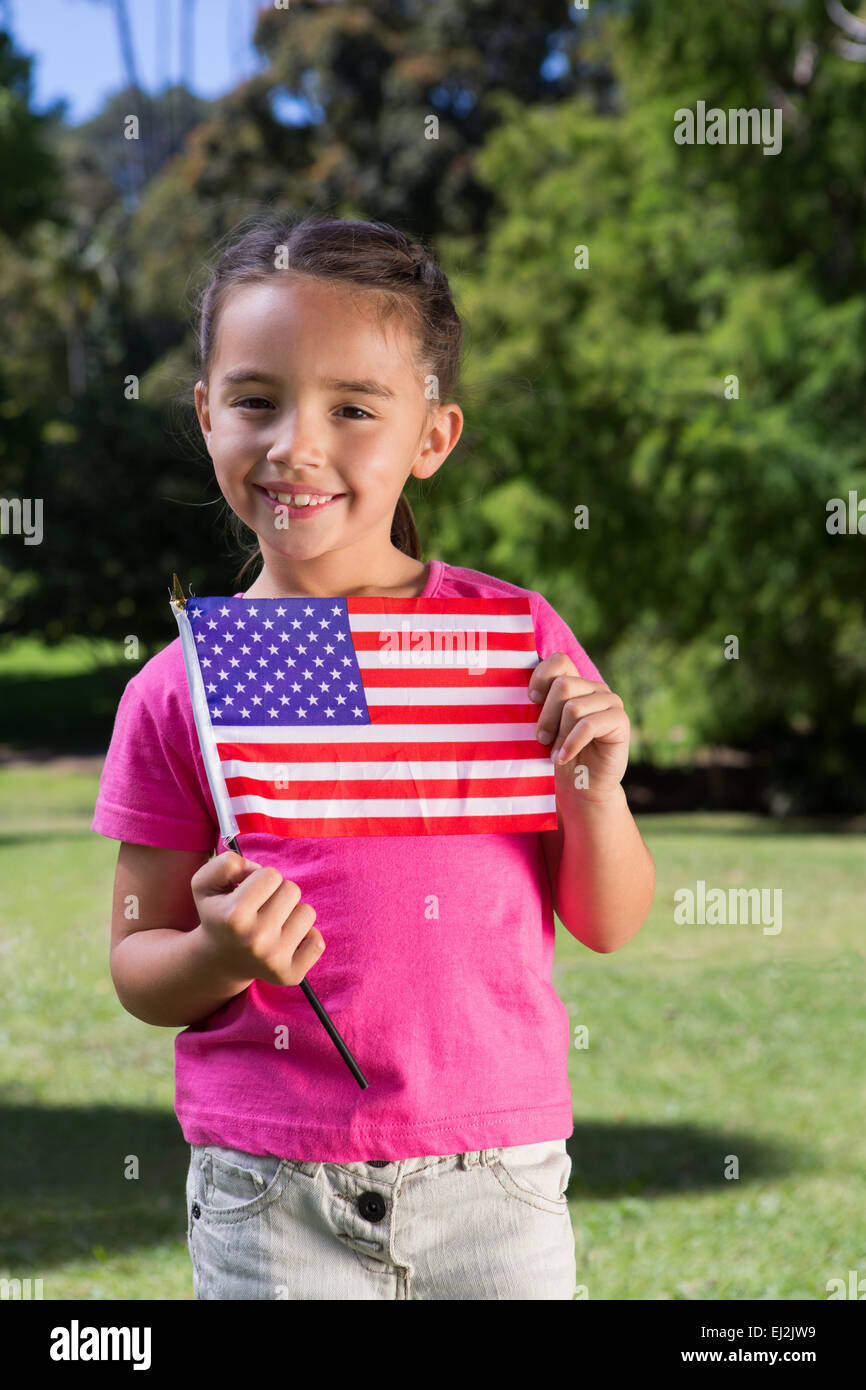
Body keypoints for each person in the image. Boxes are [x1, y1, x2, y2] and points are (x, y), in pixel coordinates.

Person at [91, 213, 655, 1300]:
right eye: (255, 400)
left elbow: (608, 917)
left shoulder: (513, 644)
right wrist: (216, 953)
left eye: (352, 408)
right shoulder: (183, 687)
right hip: (270, 1188)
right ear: (207, 415)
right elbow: (135, 962)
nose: (296, 445)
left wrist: (592, 792)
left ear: (432, 437)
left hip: (495, 1181)